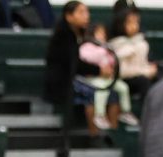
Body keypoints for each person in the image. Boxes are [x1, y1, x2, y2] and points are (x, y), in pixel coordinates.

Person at [43, 2, 112, 139]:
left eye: (87, 12)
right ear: (69, 16)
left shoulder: (77, 34)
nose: (86, 16)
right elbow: (74, 64)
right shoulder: (63, 36)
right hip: (61, 84)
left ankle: (112, 134)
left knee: (112, 92)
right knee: (91, 93)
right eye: (81, 12)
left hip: (71, 79)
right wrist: (98, 70)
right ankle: (94, 135)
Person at [79, 22, 138, 130]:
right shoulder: (87, 46)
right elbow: (87, 58)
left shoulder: (107, 47)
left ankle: (126, 111)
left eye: (103, 33)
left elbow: (112, 60)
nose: (102, 35)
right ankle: (99, 115)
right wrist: (104, 50)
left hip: (109, 78)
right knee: (103, 89)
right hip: (93, 79)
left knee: (123, 88)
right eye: (99, 33)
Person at [108, 8, 157, 105]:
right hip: (124, 81)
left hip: (141, 75)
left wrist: (151, 69)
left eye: (136, 22)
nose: (134, 26)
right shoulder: (115, 44)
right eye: (129, 23)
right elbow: (121, 72)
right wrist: (145, 71)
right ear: (121, 24)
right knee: (144, 82)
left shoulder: (142, 43)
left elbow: (143, 64)